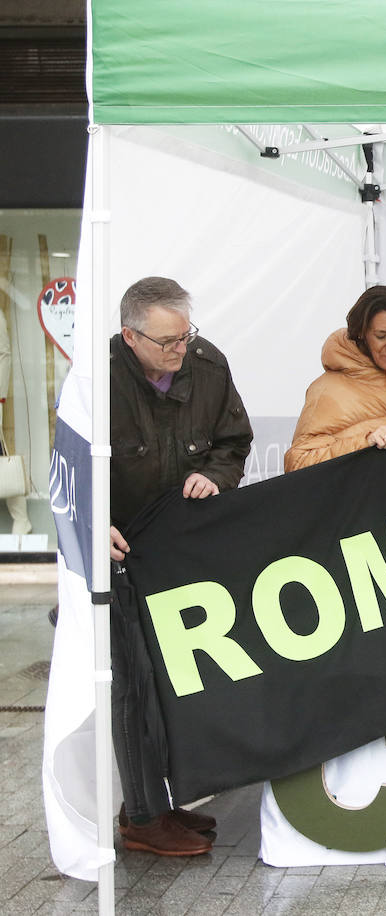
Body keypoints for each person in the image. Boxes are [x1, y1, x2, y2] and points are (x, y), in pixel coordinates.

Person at [109, 277, 253, 856]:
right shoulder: (99, 382)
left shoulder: (207, 364)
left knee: (178, 677)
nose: (179, 351)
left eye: (185, 336)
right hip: (123, 555)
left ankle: (162, 803)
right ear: (130, 336)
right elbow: (68, 465)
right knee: (133, 683)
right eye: (166, 342)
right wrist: (95, 525)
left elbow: (234, 440)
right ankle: (141, 817)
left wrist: (215, 474)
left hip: (186, 548)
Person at [285, 285, 386, 471]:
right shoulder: (325, 389)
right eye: (381, 336)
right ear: (361, 333)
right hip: (362, 498)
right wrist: (364, 442)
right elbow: (297, 463)